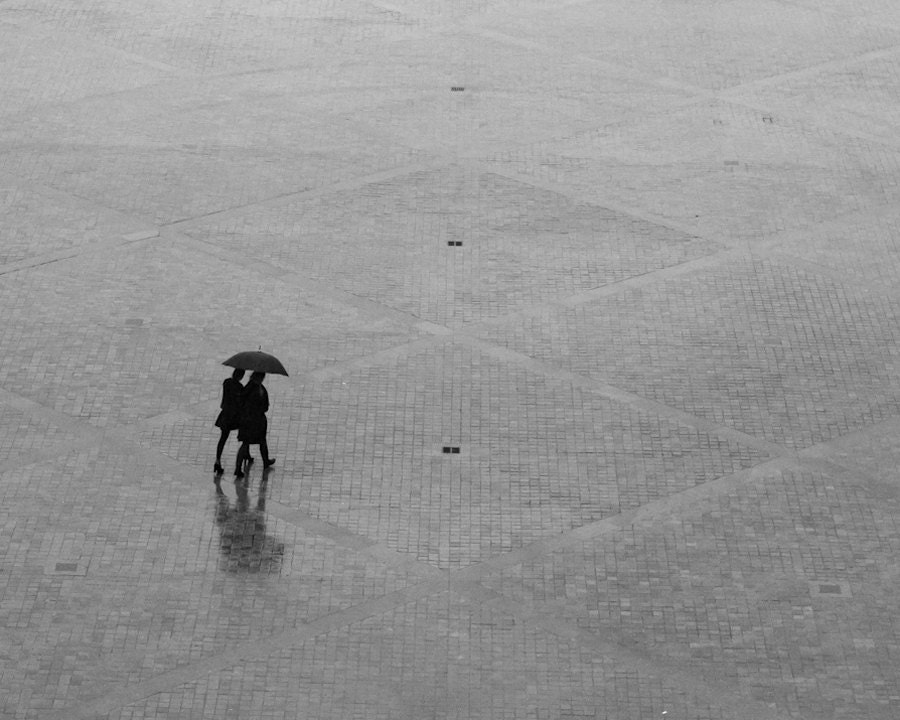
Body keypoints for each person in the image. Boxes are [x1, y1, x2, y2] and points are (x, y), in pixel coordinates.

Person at [234, 371, 275, 478]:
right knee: (248, 443)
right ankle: (238, 468)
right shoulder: (254, 389)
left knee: (260, 441)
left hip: (254, 420)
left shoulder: (253, 387)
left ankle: (265, 460)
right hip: (252, 420)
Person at [214, 369, 253, 475]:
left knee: (223, 438)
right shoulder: (240, 387)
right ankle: (246, 454)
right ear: (241, 376)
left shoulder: (226, 382)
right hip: (235, 416)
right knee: (245, 434)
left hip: (225, 414)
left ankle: (218, 460)